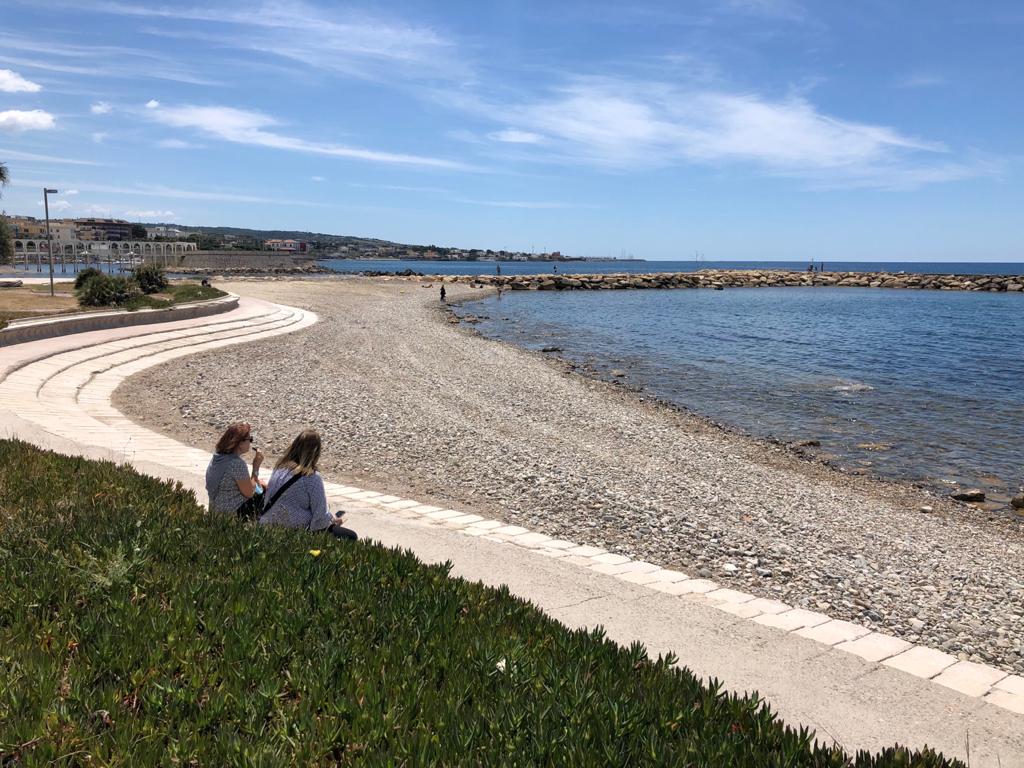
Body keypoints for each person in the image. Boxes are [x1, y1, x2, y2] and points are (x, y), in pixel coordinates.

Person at [259, 430, 358, 540]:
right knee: (351, 536)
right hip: (295, 530)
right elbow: (320, 520)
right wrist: (334, 521)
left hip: (267, 523)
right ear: (316, 453)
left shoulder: (280, 468)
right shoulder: (312, 478)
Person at [205, 423, 266, 516]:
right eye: (250, 439)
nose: (250, 442)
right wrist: (256, 467)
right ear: (240, 443)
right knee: (267, 494)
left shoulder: (218, 457)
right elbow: (250, 493)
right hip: (231, 513)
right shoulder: (236, 464)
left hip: (215, 509)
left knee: (261, 485)